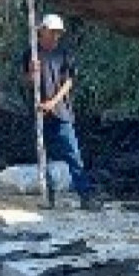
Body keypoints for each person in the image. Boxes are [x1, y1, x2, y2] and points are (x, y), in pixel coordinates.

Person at [22, 13, 100, 210]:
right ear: (43, 32)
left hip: (61, 111)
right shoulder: (31, 54)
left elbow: (68, 82)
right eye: (52, 32)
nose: (56, 37)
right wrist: (32, 74)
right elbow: (26, 83)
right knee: (42, 155)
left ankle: (86, 195)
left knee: (73, 153)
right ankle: (48, 195)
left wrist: (53, 102)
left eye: (58, 33)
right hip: (39, 113)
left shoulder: (64, 53)